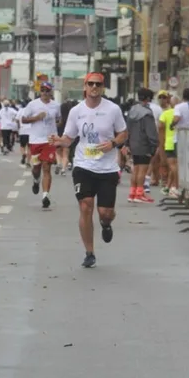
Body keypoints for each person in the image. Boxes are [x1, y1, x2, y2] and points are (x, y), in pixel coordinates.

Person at [50, 72, 127, 268]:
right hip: (83, 165)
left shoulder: (113, 109)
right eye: (91, 84)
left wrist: (113, 143)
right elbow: (69, 138)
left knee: (105, 212)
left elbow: (123, 133)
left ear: (103, 87)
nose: (94, 87)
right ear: (85, 86)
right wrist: (59, 141)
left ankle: (106, 223)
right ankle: (89, 252)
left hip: (107, 168)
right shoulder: (76, 111)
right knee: (85, 206)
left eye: (98, 84)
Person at [21, 81, 60, 209]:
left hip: (49, 141)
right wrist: (37, 118)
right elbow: (23, 119)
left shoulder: (55, 105)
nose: (44, 93)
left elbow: (59, 119)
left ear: (51, 92)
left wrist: (56, 129)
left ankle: (45, 196)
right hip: (35, 141)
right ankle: (36, 180)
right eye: (42, 90)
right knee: (36, 168)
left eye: (47, 90)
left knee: (46, 167)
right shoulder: (32, 104)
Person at [126, 88, 158, 203]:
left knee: (135, 168)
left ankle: (132, 193)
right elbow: (151, 131)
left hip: (133, 143)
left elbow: (127, 128)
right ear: (148, 98)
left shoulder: (132, 110)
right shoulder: (147, 113)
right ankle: (139, 193)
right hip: (144, 144)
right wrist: (154, 145)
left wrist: (127, 143)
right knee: (142, 170)